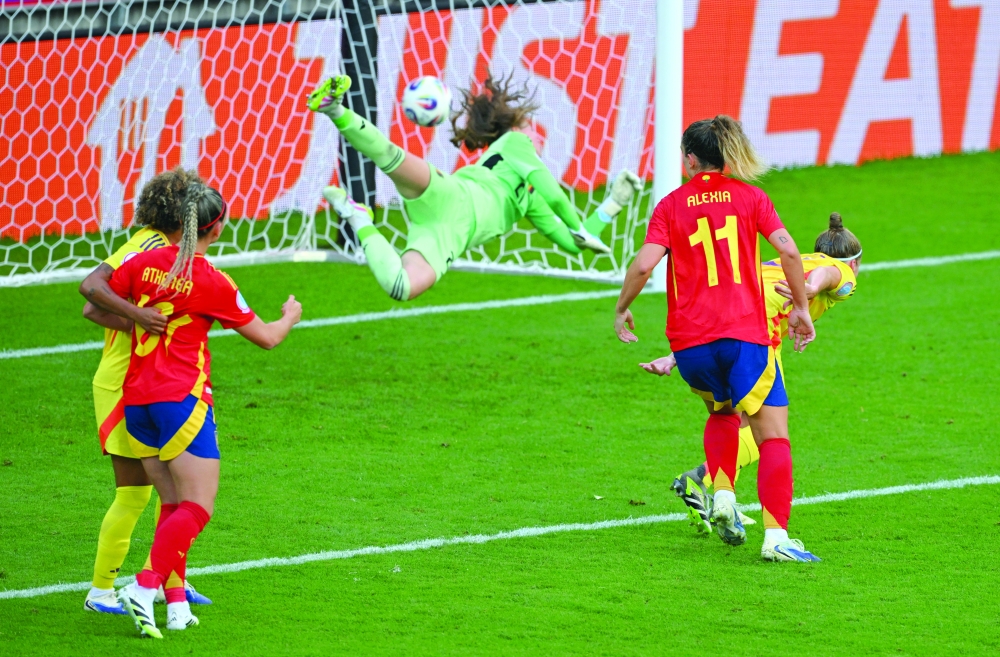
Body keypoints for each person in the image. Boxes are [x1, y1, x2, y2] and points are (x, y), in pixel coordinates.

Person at [613, 115, 820, 563]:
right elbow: (786, 249)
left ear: (690, 159)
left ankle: (723, 495)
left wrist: (622, 306)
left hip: (690, 343)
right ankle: (776, 538)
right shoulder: (751, 197)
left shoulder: (670, 206)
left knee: (722, 412)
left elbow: (645, 264)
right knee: (773, 437)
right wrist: (801, 307)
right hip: (745, 333)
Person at [104, 182, 302, 638]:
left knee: (172, 504)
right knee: (197, 506)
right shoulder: (213, 280)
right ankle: (145, 585)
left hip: (138, 402)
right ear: (216, 227)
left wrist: (140, 319)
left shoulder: (141, 263)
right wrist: (290, 314)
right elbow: (268, 337)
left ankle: (176, 608)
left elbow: (95, 306)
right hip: (182, 402)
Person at [306, 74, 642, 301]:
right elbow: (555, 194)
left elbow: (573, 243)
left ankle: (359, 217)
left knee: (400, 287)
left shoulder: (529, 201)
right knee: (389, 155)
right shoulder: (515, 143)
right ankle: (333, 107)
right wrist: (579, 225)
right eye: (532, 128)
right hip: (451, 194)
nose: (537, 135)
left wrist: (611, 204)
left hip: (448, 236)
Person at [642, 213, 862, 534]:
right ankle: (726, 498)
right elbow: (830, 274)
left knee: (737, 418)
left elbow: (728, 309)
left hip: (722, 325)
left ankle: (717, 492)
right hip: (759, 334)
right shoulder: (842, 270)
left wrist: (675, 356)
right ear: (855, 262)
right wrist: (811, 288)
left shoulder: (784, 261)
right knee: (770, 428)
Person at [78, 168, 213, 615]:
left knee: (174, 489)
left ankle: (170, 582)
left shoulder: (170, 248)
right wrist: (140, 319)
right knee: (136, 493)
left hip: (150, 382)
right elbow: (91, 297)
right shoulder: (149, 246)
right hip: (123, 384)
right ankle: (101, 592)